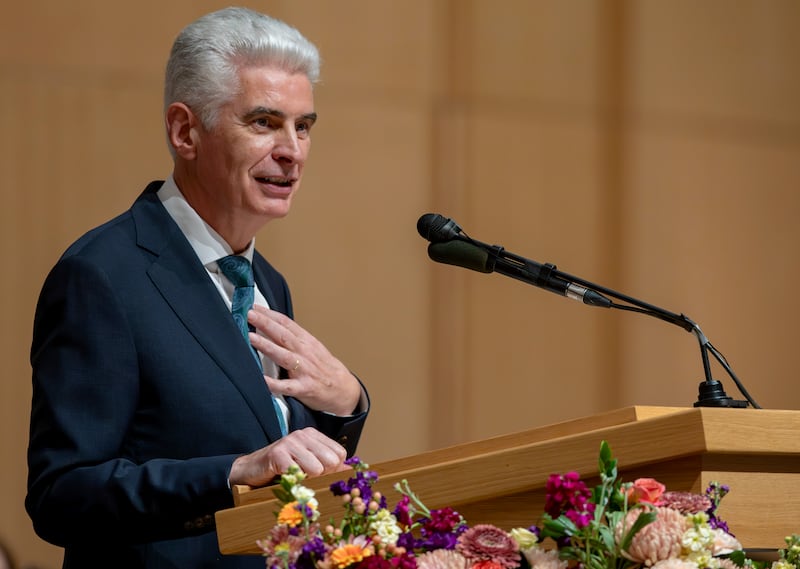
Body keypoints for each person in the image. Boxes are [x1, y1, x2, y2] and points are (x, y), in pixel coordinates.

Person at [26, 7, 369, 568]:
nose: (293, 151)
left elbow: (282, 467)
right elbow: (62, 495)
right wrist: (231, 473)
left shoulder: (265, 283)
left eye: (302, 126)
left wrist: (345, 404)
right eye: (264, 122)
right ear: (185, 131)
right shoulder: (102, 275)